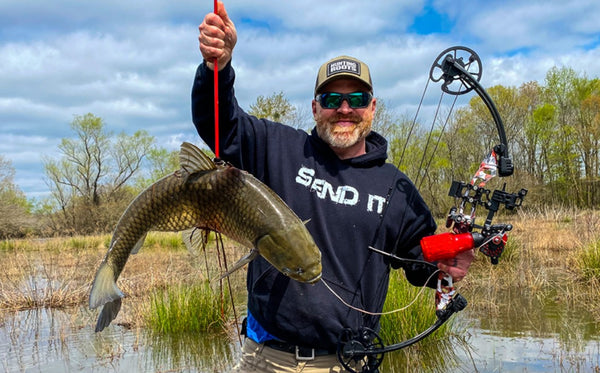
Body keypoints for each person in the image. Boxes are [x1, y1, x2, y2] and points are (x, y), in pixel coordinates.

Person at [192, 3, 475, 372]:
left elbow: (418, 264)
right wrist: (218, 67)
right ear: (314, 107)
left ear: (372, 108)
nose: (344, 109)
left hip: (348, 363)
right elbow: (219, 123)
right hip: (266, 359)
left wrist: (447, 268)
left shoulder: (396, 188)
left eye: (356, 99)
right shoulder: (279, 149)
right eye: (331, 99)